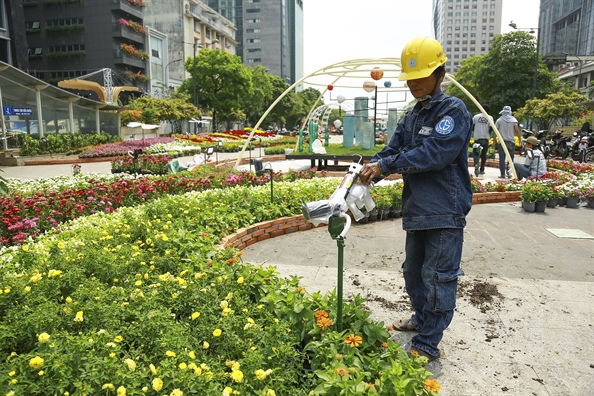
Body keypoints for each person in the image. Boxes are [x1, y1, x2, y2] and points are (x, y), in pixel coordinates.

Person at [358, 36, 472, 362]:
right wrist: (368, 168)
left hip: (444, 210)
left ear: (441, 73)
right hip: (418, 209)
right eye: (411, 78)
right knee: (414, 272)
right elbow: (392, 151)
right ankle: (422, 320)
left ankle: (429, 342)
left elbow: (434, 153)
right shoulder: (412, 116)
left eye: (422, 76)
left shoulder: (453, 111)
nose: (415, 84)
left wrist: (386, 165)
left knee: (437, 277)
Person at [494, 106, 521, 178]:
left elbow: (495, 132)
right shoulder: (514, 120)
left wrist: (494, 142)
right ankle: (509, 172)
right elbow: (517, 131)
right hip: (511, 142)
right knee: (511, 159)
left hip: (502, 142)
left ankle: (502, 174)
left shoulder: (499, 120)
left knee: (502, 158)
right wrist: (520, 140)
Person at [471, 104, 493, 177]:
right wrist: (487, 132)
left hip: (477, 138)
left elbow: (472, 127)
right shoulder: (490, 118)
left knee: (475, 153)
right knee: (484, 154)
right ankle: (482, 169)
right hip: (485, 138)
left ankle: (476, 164)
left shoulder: (476, 117)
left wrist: (477, 131)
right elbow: (491, 128)